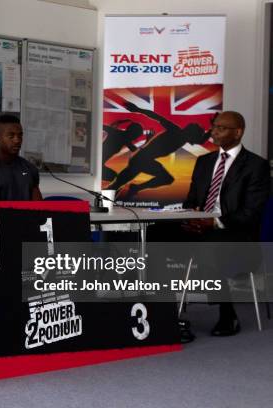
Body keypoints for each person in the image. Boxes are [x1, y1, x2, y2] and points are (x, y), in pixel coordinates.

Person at [181, 111, 270, 336]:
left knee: (211, 245)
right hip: (200, 230)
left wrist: (215, 222)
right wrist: (192, 217)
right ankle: (163, 313)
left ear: (238, 132)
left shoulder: (255, 166)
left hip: (236, 237)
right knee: (154, 235)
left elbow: (251, 214)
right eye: (214, 127)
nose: (214, 132)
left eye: (221, 128)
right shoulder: (203, 162)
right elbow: (190, 201)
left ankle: (227, 314)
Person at [107, 102, 211, 199]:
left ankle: (132, 189)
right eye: (195, 137)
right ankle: (132, 189)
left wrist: (211, 130)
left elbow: (200, 141)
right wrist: (138, 109)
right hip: (142, 159)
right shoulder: (175, 131)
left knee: (117, 185)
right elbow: (157, 116)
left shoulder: (183, 138)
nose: (194, 141)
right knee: (165, 178)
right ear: (191, 134)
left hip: (142, 159)